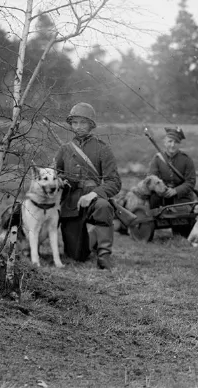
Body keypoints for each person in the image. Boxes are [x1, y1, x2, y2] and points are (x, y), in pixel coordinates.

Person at [54, 102, 121, 270]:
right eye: (75, 123)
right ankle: (92, 237)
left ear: (91, 125)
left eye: (83, 122)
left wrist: (94, 194)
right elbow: (55, 174)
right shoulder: (64, 149)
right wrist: (62, 180)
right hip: (71, 203)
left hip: (93, 198)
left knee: (104, 206)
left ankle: (104, 255)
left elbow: (115, 182)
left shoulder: (102, 148)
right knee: (77, 256)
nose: (78, 127)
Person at [147, 126, 197, 237]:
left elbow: (191, 182)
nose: (172, 145)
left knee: (182, 234)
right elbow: (151, 178)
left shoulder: (186, 160)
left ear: (179, 144)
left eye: (176, 142)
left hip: (180, 197)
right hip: (162, 197)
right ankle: (152, 225)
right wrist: (163, 189)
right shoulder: (157, 159)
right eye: (170, 141)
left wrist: (175, 191)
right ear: (165, 142)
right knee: (153, 199)